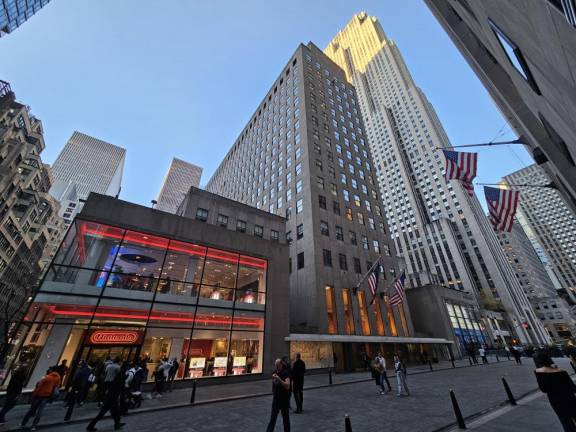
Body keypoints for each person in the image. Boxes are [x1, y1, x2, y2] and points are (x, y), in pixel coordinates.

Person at [534, 350, 576, 431]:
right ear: (549, 359)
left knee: (565, 421)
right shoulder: (561, 372)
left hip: (555, 400)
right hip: (570, 397)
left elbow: (544, 389)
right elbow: (573, 387)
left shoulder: (538, 372)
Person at [86, 360, 125, 432]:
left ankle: (117, 424)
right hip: (111, 399)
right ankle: (90, 426)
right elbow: (117, 389)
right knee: (103, 414)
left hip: (111, 398)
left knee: (115, 413)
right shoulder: (118, 379)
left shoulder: (113, 377)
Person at [266, 359, 291, 432]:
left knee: (286, 419)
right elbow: (275, 384)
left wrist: (279, 379)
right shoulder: (275, 372)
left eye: (277, 365)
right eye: (275, 365)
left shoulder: (285, 373)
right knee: (273, 418)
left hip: (284, 399)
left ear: (281, 365)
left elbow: (288, 386)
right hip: (276, 399)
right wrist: (274, 380)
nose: (276, 367)